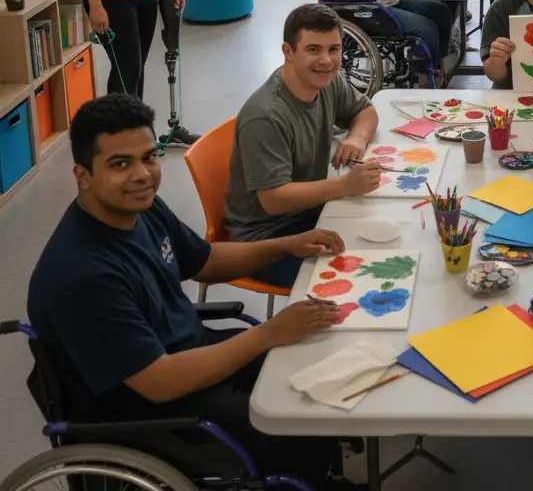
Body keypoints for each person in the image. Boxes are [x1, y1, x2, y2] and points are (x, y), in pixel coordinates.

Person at [27, 93, 349, 487]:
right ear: (83, 176)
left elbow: (205, 262)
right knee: (287, 420)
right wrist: (269, 332)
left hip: (190, 353)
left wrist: (285, 244)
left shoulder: (141, 208)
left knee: (309, 364)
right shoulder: (83, 276)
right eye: (120, 164)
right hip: (150, 410)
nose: (143, 174)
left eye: (149, 156)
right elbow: (159, 382)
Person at [224, 3, 383, 288]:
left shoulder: (326, 81)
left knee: (386, 241)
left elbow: (366, 110)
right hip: (266, 239)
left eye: (333, 49)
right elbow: (273, 200)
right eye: (313, 50)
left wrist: (356, 138)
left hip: (308, 212)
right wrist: (345, 185)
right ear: (288, 52)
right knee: (363, 278)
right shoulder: (267, 116)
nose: (326, 60)